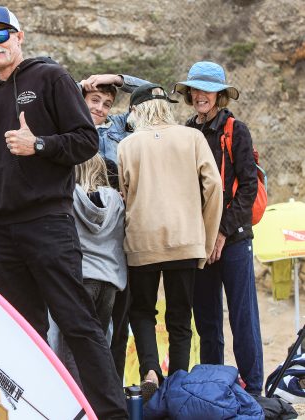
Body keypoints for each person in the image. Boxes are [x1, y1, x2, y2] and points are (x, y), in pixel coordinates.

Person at [0, 6, 127, 418]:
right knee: (22, 333)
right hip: (0, 233)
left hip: (46, 222)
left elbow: (85, 141)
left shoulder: (51, 77)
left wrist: (38, 144)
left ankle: (111, 414)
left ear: (19, 36)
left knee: (78, 324)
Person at [117, 83, 222, 398]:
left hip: (141, 241)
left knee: (142, 310)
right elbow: (214, 185)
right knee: (180, 314)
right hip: (184, 239)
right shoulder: (193, 138)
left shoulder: (127, 145)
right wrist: (204, 236)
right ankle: (177, 384)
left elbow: (124, 194)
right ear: (167, 107)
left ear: (137, 111)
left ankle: (150, 368)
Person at [173, 61, 264, 395]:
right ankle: (215, 390)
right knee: (207, 321)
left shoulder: (236, 130)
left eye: (207, 90)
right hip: (199, 241)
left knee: (243, 320)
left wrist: (222, 232)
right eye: (195, 89)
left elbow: (248, 187)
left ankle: (254, 391)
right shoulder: (186, 132)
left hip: (235, 239)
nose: (200, 96)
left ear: (219, 95)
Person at [79, 73, 149, 382]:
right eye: (95, 100)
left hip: (116, 227)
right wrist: (81, 86)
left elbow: (150, 94)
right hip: (78, 225)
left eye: (107, 104)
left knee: (117, 320)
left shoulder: (117, 128)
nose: (101, 109)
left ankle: (113, 390)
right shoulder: (67, 125)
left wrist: (117, 78)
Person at [48, 154, 127, 388]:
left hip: (80, 280)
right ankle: (100, 402)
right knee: (99, 348)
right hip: (109, 284)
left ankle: (77, 403)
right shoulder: (116, 200)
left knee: (70, 348)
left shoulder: (66, 199)